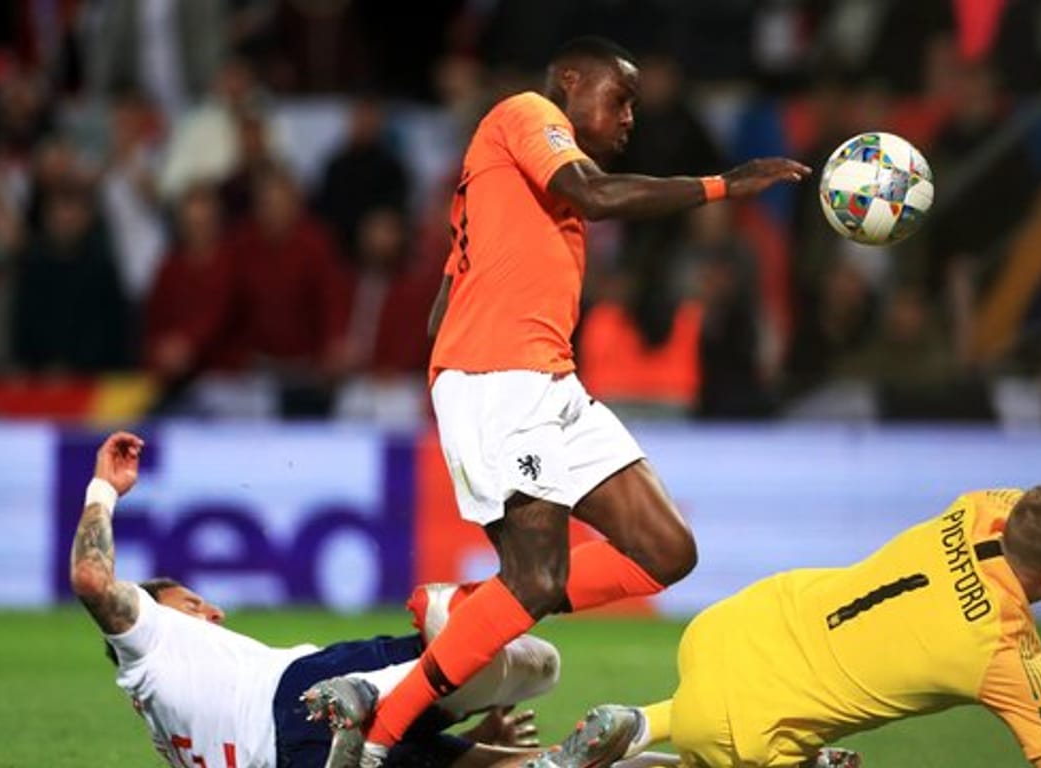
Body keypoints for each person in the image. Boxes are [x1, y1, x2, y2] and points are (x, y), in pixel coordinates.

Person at [319, 36, 810, 768]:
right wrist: (722, 186)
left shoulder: (514, 185)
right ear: (570, 85)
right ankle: (380, 738)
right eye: (621, 98)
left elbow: (440, 310)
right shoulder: (525, 113)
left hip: (549, 382)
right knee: (540, 579)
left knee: (666, 552)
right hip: (499, 380)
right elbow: (599, 194)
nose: (630, 118)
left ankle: (474, 605)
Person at [559, 484, 1041, 767]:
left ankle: (642, 721)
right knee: (732, 747)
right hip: (749, 730)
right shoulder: (1004, 649)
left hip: (739, 624)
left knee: (726, 720)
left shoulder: (985, 507)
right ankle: (648, 754)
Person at [69, 432, 578, 768]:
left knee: (506, 761)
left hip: (299, 758)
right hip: (303, 693)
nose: (212, 612)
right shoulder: (149, 642)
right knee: (539, 664)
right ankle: (391, 672)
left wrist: (468, 725)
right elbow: (92, 578)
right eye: (192, 604)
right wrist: (103, 489)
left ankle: (643, 728)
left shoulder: (173, 734)